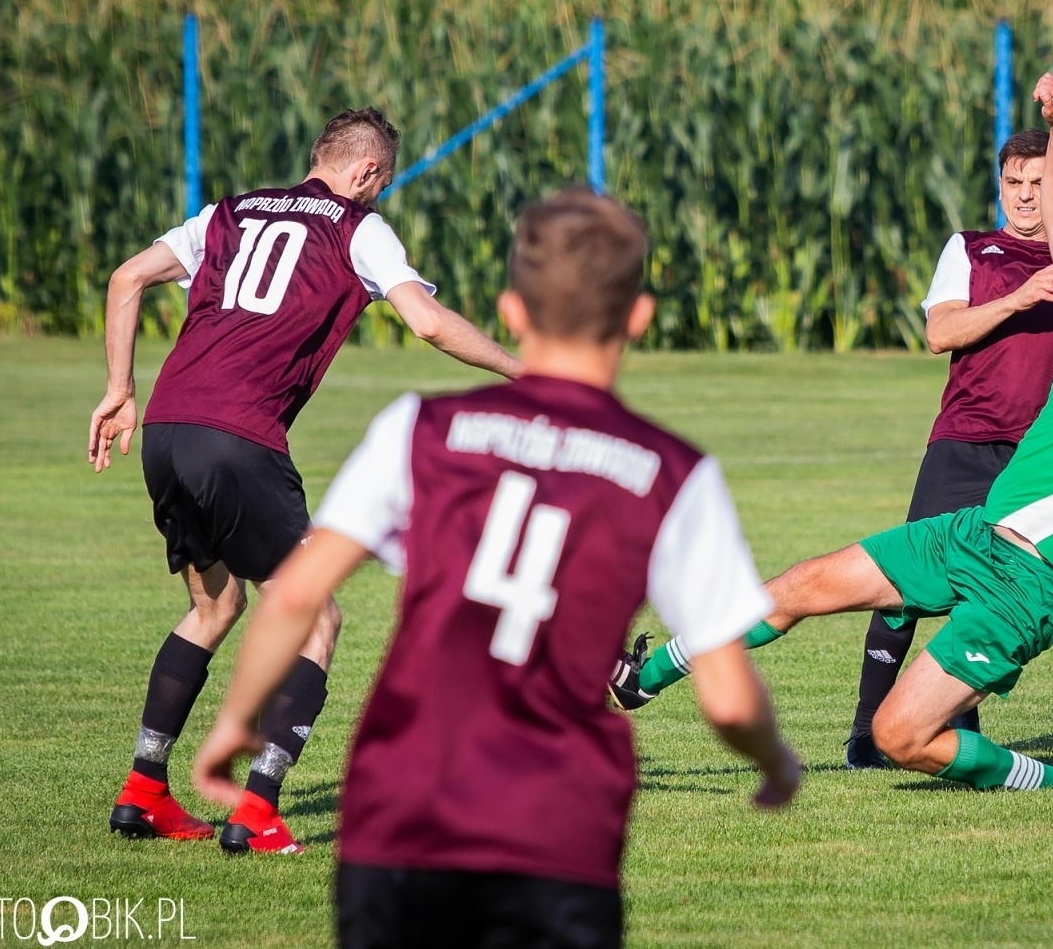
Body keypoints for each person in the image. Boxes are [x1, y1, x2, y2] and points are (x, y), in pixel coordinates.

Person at [610, 73, 1053, 794]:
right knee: (797, 587)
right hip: (973, 533)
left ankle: (1048, 781)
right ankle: (647, 676)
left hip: (1031, 586)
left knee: (900, 738)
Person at [193, 190, 798, 949]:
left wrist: (236, 720)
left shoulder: (419, 430)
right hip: (557, 834)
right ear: (638, 317)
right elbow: (729, 697)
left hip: (397, 820)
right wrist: (775, 763)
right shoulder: (672, 473)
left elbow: (296, 598)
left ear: (512, 311)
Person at [90, 107, 523, 854]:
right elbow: (426, 322)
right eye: (381, 181)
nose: (379, 194)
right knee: (317, 622)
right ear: (364, 172)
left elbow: (128, 277)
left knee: (214, 606)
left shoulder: (228, 213)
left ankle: (145, 791)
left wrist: (119, 387)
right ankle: (256, 810)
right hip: (238, 439)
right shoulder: (358, 228)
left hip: (167, 429)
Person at [843, 128, 1053, 769]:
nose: (1025, 197)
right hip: (965, 442)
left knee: (992, 593)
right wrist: (1021, 296)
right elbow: (940, 332)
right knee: (903, 583)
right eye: (1014, 183)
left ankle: (949, 726)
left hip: (1039, 460)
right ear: (999, 185)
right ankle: (865, 732)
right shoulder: (972, 249)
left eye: (1038, 184)